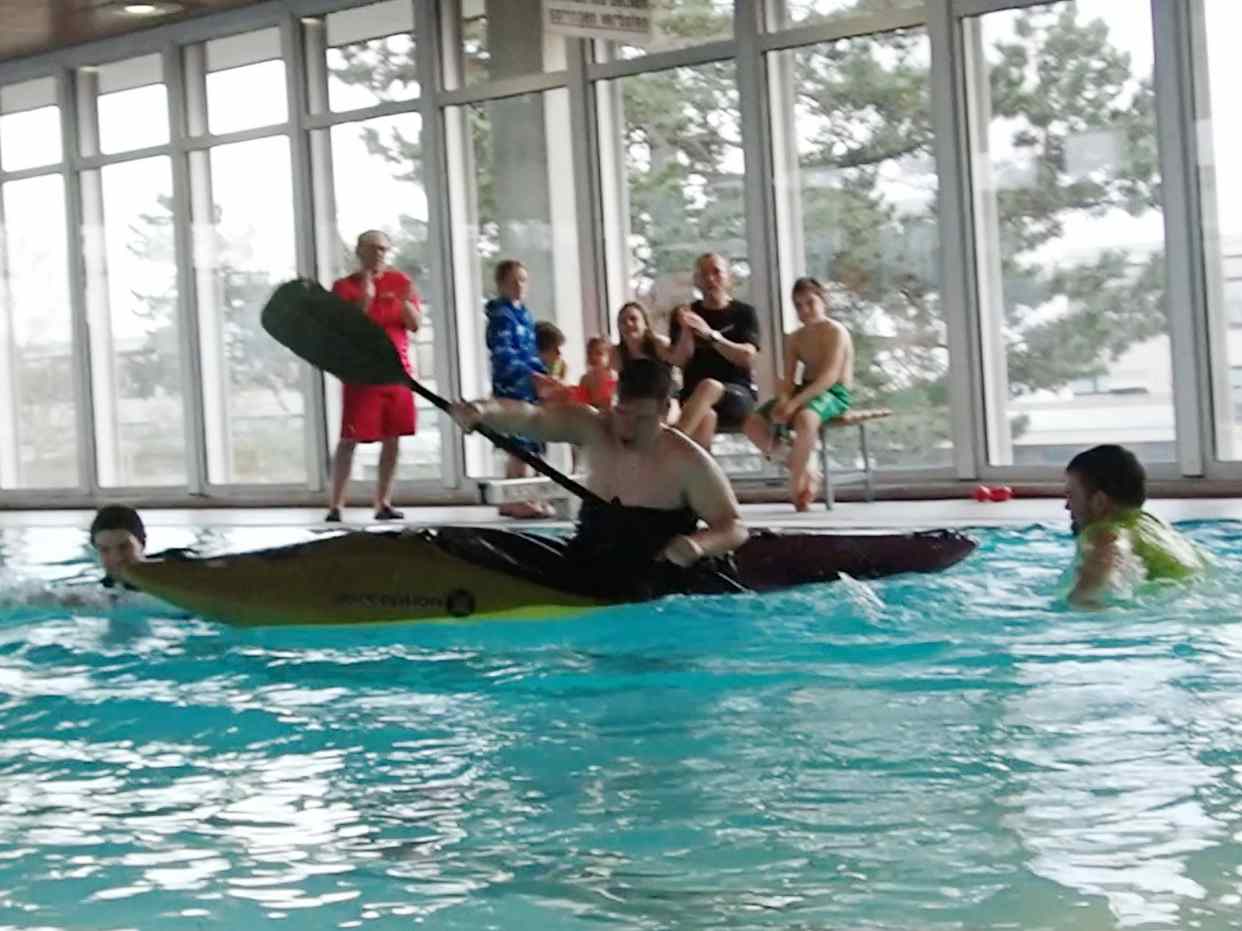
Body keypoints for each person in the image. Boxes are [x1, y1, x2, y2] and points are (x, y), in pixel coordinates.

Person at [450, 358, 748, 597]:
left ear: (664, 411)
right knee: (466, 542)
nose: (627, 428)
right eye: (623, 413)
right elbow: (531, 417)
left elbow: (734, 527)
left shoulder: (687, 460)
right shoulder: (592, 427)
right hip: (589, 559)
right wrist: (481, 410)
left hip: (654, 575)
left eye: (642, 418)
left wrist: (697, 545)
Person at [326, 230, 422, 523]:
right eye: (372, 249)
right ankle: (336, 504)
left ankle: (383, 502)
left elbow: (415, 325)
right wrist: (367, 295)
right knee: (350, 438)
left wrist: (404, 302)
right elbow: (345, 326)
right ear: (359, 251)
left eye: (383, 249)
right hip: (361, 374)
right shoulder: (344, 287)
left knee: (393, 438)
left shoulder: (401, 283)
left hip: (396, 372)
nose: (378, 254)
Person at [743, 276, 854, 511]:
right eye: (798, 305)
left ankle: (796, 485)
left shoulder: (836, 332)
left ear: (823, 301)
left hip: (833, 393)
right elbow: (789, 378)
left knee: (806, 418)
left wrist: (795, 404)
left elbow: (829, 377)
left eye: (810, 303)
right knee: (753, 423)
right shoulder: (794, 338)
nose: (804, 310)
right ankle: (804, 468)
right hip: (803, 391)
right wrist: (784, 400)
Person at [1064, 444, 1209, 607]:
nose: (1067, 506)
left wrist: (1082, 597)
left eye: (1071, 496)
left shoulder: (1103, 531)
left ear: (1099, 501)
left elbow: (1111, 547)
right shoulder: (1153, 523)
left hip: (1173, 605)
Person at [668, 253, 761, 449]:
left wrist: (711, 335)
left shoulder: (744, 313)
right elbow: (679, 361)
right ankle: (703, 478)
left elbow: (747, 357)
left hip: (736, 395)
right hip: (694, 400)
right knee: (705, 418)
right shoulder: (686, 314)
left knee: (709, 385)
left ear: (728, 277)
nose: (710, 279)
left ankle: (668, 449)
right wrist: (686, 330)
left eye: (716, 272)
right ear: (696, 281)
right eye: (703, 274)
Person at [486, 259, 554, 519]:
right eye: (514, 281)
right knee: (518, 445)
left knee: (528, 443)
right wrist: (529, 375)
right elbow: (503, 355)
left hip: (528, 386)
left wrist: (542, 375)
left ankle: (522, 496)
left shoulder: (523, 314)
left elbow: (530, 352)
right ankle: (516, 499)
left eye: (523, 280)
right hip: (511, 386)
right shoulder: (501, 317)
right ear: (501, 284)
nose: (519, 286)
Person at [90, 505, 147, 589]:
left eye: (124, 547)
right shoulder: (90, 596)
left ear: (142, 544)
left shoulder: (167, 588)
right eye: (104, 549)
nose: (117, 558)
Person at [579, 336, 618, 409]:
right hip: (593, 416)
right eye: (589, 353)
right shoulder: (586, 379)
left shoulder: (614, 376)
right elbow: (581, 404)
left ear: (609, 356)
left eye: (599, 353)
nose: (593, 357)